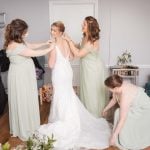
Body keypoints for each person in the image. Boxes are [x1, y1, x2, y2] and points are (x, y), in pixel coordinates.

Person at [37, 21, 111, 150]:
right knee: (68, 95)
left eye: (54, 30)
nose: (52, 32)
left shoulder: (54, 44)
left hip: (60, 73)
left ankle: (64, 119)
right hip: (67, 71)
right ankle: (72, 118)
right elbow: (71, 57)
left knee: (61, 95)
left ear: (60, 32)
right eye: (51, 30)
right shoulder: (66, 42)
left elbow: (51, 65)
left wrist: (50, 52)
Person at [4, 19, 55, 140]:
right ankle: (24, 127)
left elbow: (31, 45)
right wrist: (50, 48)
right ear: (18, 32)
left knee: (26, 98)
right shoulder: (15, 46)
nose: (27, 34)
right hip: (20, 77)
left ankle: (28, 124)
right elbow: (33, 53)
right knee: (22, 99)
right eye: (25, 32)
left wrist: (45, 43)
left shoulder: (18, 42)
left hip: (24, 75)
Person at [63, 16, 106, 118]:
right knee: (86, 90)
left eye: (84, 24)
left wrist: (68, 42)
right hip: (86, 68)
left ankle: (93, 115)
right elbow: (78, 46)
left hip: (93, 69)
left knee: (91, 91)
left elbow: (78, 53)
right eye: (83, 23)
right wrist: (69, 39)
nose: (82, 25)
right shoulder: (85, 38)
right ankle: (87, 113)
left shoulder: (93, 41)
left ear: (90, 26)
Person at [103, 74, 150, 149]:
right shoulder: (119, 85)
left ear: (115, 88)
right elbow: (114, 99)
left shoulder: (125, 95)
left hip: (145, 110)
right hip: (136, 106)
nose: (107, 89)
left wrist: (114, 136)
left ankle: (125, 139)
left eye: (108, 88)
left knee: (120, 114)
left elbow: (122, 118)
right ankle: (119, 135)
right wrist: (105, 109)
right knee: (118, 112)